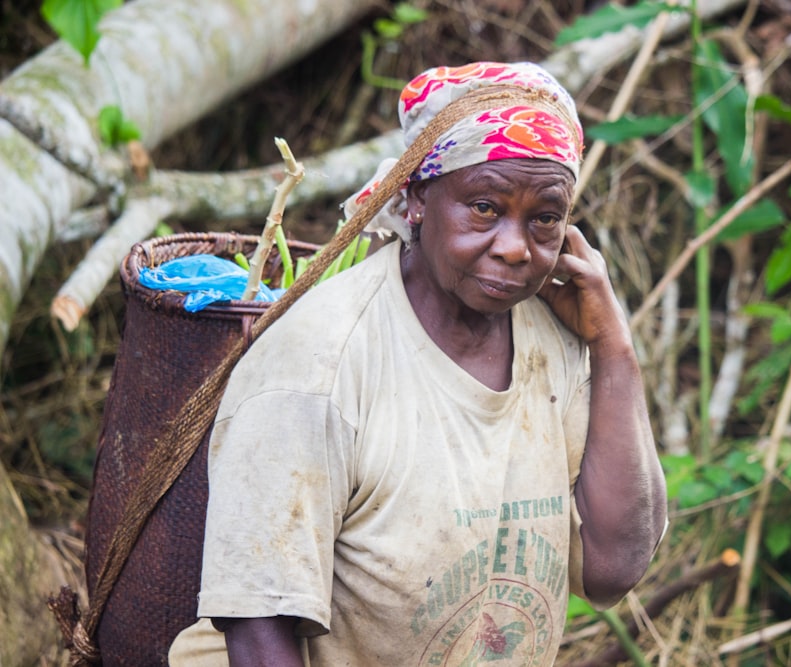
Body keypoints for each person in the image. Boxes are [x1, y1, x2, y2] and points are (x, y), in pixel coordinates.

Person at [169, 61, 667, 667]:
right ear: (416, 200)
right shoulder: (319, 362)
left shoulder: (556, 345)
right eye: (484, 207)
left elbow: (614, 569)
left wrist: (614, 347)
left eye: (544, 218)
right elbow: (259, 628)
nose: (515, 247)